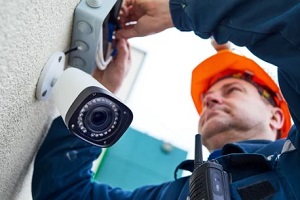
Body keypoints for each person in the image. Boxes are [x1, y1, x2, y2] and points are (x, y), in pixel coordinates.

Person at [32, 1, 300, 199]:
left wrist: (182, 9)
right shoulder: (181, 192)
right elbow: (64, 193)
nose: (212, 101)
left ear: (276, 115)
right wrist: (98, 97)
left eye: (232, 90)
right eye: (206, 99)